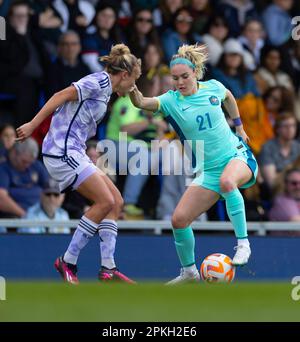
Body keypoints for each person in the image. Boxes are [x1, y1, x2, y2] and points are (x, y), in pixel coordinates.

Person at [130, 43, 258, 284]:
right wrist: (131, 84)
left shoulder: (213, 88)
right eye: (175, 78)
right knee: (179, 220)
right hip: (209, 171)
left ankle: (243, 244)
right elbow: (140, 102)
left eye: (184, 77)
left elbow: (229, 97)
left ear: (196, 73)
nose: (179, 82)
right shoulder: (170, 101)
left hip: (237, 156)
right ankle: (189, 271)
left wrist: (239, 126)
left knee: (228, 182)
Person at [16, 44, 141, 284]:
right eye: (133, 80)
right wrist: (33, 125)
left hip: (76, 151)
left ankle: (108, 268)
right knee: (104, 201)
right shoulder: (99, 82)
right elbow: (59, 96)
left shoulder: (108, 91)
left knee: (116, 202)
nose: (134, 86)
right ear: (124, 75)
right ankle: (68, 260)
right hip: (60, 151)